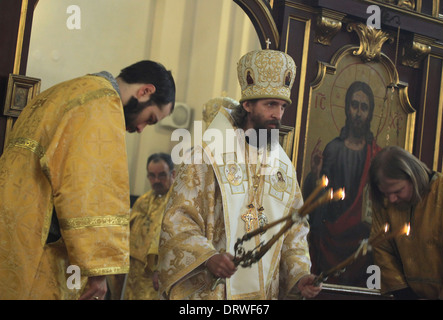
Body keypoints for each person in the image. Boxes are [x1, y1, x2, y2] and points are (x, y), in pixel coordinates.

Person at [0, 60, 176, 300]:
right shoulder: (102, 104)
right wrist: (98, 270)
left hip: (12, 230)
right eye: (151, 118)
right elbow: (87, 187)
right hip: (38, 247)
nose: (142, 128)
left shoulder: (66, 90)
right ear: (145, 91)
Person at [158, 47, 321, 299]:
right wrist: (208, 256)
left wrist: (299, 274)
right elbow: (178, 219)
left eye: (281, 106)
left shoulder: (284, 168)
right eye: (270, 104)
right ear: (247, 104)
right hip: (214, 291)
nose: (277, 114)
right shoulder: (208, 155)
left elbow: (294, 230)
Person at [303, 81, 381, 286]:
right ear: (347, 107)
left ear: (370, 112)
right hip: (331, 236)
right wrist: (317, 175)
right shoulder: (334, 149)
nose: (358, 112)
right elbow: (319, 199)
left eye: (364, 107)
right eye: (354, 105)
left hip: (361, 242)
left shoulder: (375, 154)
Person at [368, 145, 443, 300]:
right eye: (386, 193)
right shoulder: (385, 202)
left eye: (397, 191)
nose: (391, 199)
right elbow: (381, 248)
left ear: (414, 176)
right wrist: (404, 294)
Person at [110, 153, 175, 300]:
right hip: (134, 271)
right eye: (152, 175)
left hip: (156, 273)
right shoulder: (143, 201)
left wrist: (162, 270)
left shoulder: (177, 203)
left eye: (162, 175)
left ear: (173, 174)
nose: (156, 180)